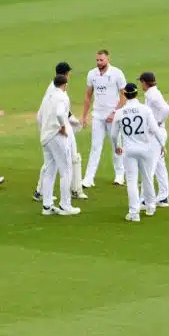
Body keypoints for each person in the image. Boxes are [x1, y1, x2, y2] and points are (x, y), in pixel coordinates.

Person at [111, 83, 162, 221]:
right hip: (146, 148)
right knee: (147, 177)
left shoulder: (120, 112)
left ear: (124, 95)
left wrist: (117, 146)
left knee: (132, 181)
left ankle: (134, 213)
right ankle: (151, 206)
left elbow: (114, 135)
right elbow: (155, 129)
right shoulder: (145, 109)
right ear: (136, 94)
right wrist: (162, 144)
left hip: (129, 150)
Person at [37, 62, 80, 216]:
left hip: (46, 137)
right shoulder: (62, 96)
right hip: (57, 137)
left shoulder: (48, 95)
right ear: (65, 82)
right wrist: (62, 126)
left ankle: (47, 206)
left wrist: (44, 131)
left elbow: (39, 116)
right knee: (66, 171)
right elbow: (61, 114)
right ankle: (65, 206)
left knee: (49, 171)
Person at [80, 49, 126, 196]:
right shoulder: (92, 74)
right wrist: (84, 116)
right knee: (95, 146)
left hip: (113, 117)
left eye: (101, 60)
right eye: (97, 60)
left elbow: (123, 95)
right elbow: (88, 96)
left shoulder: (117, 73)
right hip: (98, 116)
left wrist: (115, 113)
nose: (99, 63)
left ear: (108, 59)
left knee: (116, 145)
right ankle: (88, 178)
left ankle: (119, 175)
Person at [140, 70, 169, 210]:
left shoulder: (152, 94)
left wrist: (157, 122)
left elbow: (166, 109)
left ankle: (145, 200)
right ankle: (163, 197)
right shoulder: (152, 93)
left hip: (156, 133)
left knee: (150, 166)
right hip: (158, 132)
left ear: (144, 83)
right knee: (159, 165)